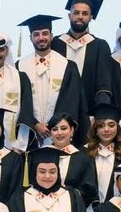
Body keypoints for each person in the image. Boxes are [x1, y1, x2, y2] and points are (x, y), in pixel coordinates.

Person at [17, 14, 86, 146]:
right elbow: (18, 102)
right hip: (29, 133)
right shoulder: (20, 66)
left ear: (52, 36)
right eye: (36, 34)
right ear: (30, 38)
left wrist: (54, 125)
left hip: (58, 133)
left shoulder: (68, 66)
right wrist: (34, 124)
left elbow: (71, 102)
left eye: (45, 33)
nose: (41, 38)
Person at [51, 0, 114, 114]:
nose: (80, 17)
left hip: (88, 113)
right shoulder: (56, 43)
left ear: (91, 17)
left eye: (85, 14)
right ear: (69, 15)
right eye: (76, 12)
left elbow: (103, 84)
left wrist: (99, 114)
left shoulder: (100, 46)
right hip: (57, 113)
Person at [85, 103, 121, 203]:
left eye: (111, 125)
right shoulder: (84, 152)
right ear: (95, 129)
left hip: (119, 207)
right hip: (89, 209)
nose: (106, 130)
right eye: (101, 126)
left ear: (118, 127)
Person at [44, 113, 98, 204]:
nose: (59, 133)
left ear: (72, 130)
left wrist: (66, 194)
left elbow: (89, 190)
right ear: (51, 133)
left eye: (64, 128)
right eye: (55, 129)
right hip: (44, 206)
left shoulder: (83, 157)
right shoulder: (41, 156)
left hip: (73, 206)